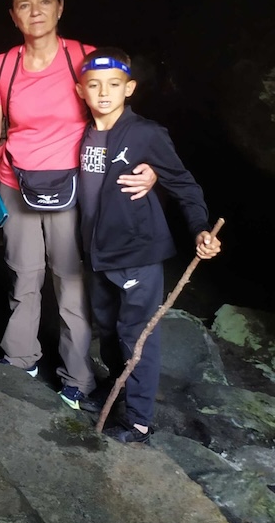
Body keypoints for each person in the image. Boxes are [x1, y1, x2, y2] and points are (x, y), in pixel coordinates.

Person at [0, 0, 156, 407]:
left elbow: (119, 119)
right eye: (24, 4)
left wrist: (146, 166)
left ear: (60, 7)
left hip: (75, 186)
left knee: (71, 283)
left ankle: (78, 377)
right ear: (13, 15)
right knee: (23, 274)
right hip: (15, 183)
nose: (34, 12)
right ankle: (21, 358)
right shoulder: (4, 64)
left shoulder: (84, 57)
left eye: (43, 2)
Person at [74, 48, 221, 444]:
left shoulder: (145, 134)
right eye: (94, 85)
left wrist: (200, 230)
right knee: (107, 328)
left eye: (114, 85)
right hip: (97, 254)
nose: (104, 93)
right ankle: (116, 387)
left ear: (130, 88)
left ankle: (139, 420)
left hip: (137, 255)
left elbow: (185, 185)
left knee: (135, 334)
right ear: (80, 89)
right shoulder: (83, 132)